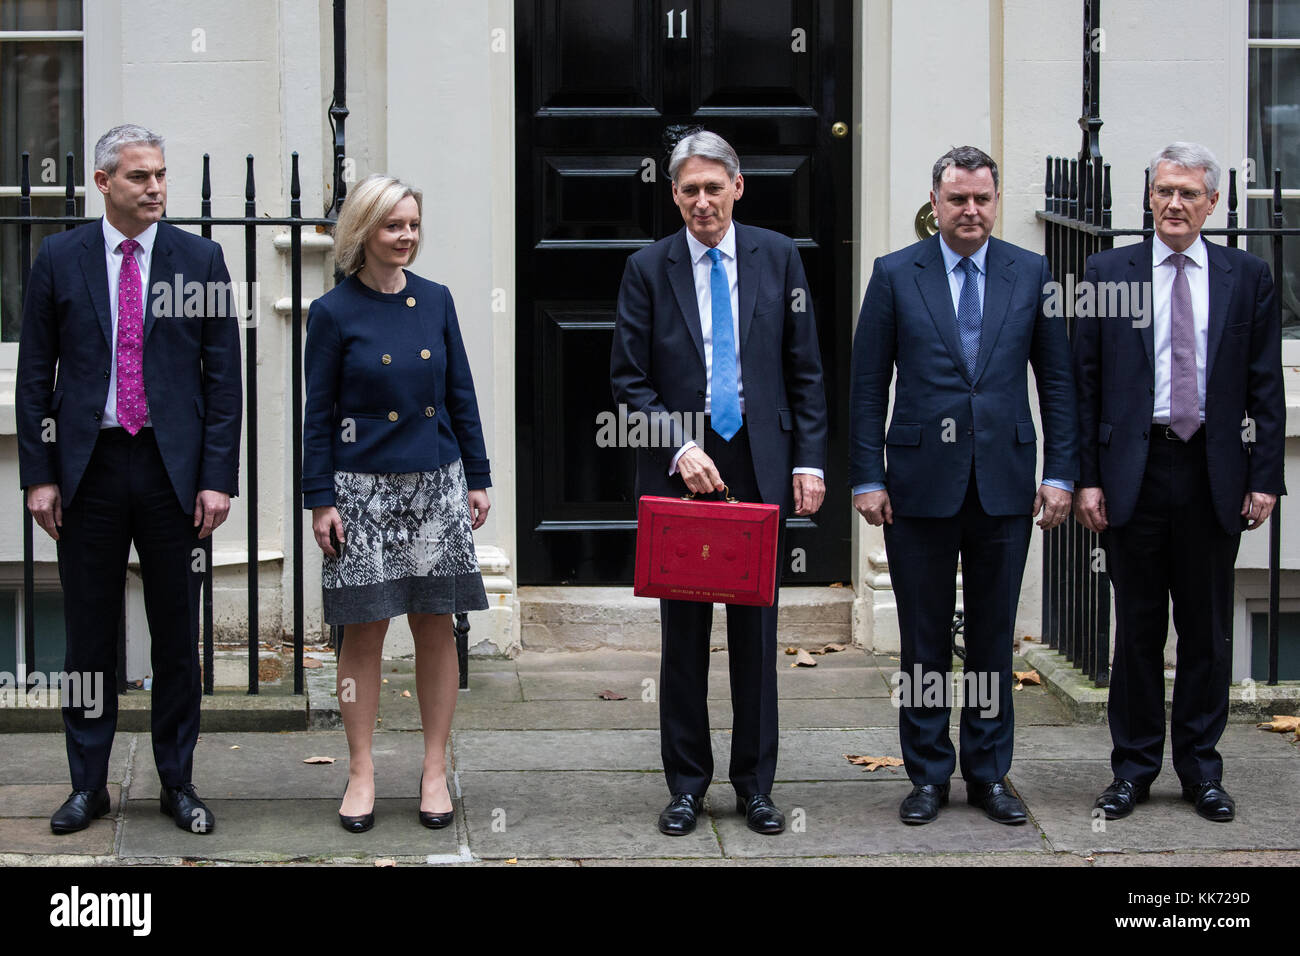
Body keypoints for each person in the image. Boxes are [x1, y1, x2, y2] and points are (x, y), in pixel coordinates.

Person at [16, 124, 243, 835]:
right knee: (88, 638)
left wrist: (217, 478)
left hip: (174, 473)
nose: (156, 188)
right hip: (90, 468)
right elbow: (33, 377)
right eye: (140, 177)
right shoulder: (60, 258)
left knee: (176, 634)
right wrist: (40, 475)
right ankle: (89, 785)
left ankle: (178, 781)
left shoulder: (198, 259)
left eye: (161, 175)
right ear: (103, 182)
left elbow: (224, 377)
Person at [849, 146, 1078, 826]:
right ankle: (926, 775)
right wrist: (867, 476)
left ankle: (988, 774)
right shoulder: (895, 275)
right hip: (918, 485)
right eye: (957, 199)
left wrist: (1060, 473)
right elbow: (868, 387)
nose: (970, 210)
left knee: (991, 637)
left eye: (981, 198)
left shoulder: (1030, 272)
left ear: (996, 200)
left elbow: (1058, 382)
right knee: (922, 641)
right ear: (935, 202)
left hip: (1005, 484)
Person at [610, 131, 828, 836]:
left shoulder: (780, 256)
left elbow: (806, 368)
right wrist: (678, 447)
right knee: (683, 638)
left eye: (714, 186)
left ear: (739, 186)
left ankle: (755, 787)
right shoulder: (648, 267)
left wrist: (810, 461)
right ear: (673, 196)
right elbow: (628, 381)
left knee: (756, 639)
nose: (702, 201)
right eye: (689, 189)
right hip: (684, 474)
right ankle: (686, 785)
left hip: (760, 465)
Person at [1074, 143, 1285, 823]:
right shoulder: (1109, 270)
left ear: (1212, 204)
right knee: (1135, 631)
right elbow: (1083, 386)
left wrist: (1266, 476)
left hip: (1213, 473)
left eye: (1189, 193)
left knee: (1206, 631)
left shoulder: (1246, 276)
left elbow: (1265, 386)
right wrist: (1086, 480)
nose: (1173, 204)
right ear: (1148, 195)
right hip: (1136, 471)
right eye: (1164, 190)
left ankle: (1201, 770)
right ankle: (1133, 768)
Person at [302, 174, 491, 833]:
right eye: (392, 225)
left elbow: (460, 392)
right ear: (364, 232)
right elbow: (317, 417)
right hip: (361, 490)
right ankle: (361, 769)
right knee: (365, 632)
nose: (406, 235)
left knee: (437, 628)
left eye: (412, 224)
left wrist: (478, 475)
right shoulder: (332, 313)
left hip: (434, 485)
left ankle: (434, 769)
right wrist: (319, 499)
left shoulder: (436, 302)